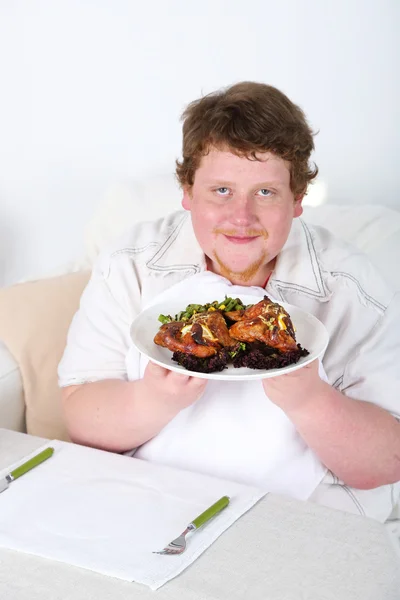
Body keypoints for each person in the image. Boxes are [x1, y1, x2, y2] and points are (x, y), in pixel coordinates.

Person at [58, 82, 400, 522]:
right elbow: (80, 415)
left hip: (302, 516)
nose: (241, 218)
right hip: (154, 501)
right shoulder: (129, 264)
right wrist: (154, 399)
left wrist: (309, 398)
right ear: (187, 191)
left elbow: (387, 460)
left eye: (265, 192)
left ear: (297, 199)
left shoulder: (353, 286)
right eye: (221, 191)